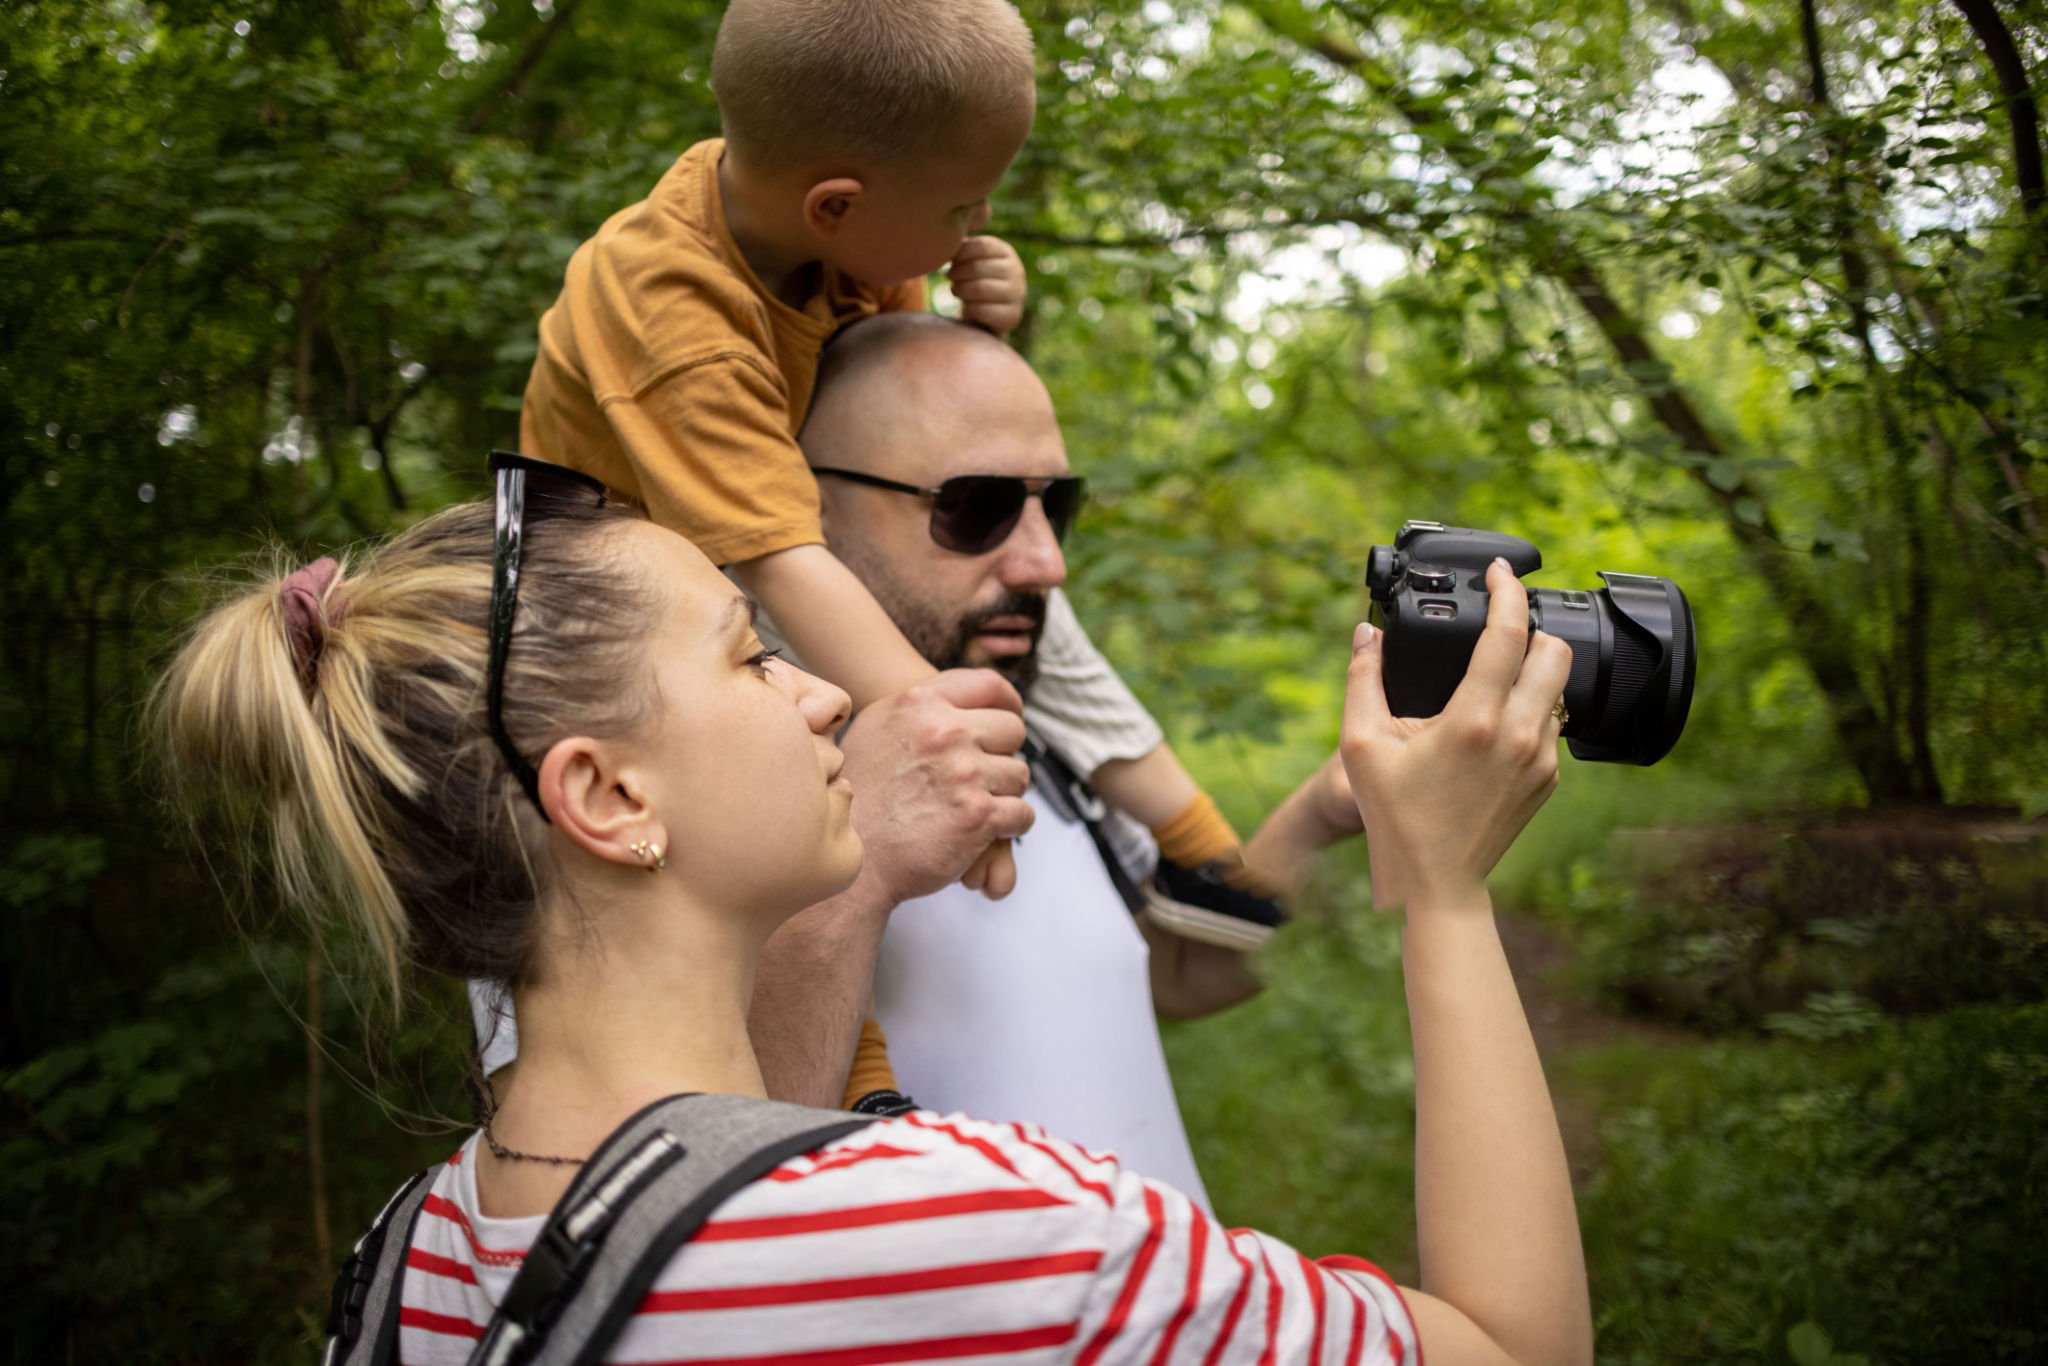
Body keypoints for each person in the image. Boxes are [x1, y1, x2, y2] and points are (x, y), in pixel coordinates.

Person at [155, 460, 1590, 1364]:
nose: (826, 686)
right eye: (745, 660)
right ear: (605, 798)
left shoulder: (408, 1261)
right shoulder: (987, 1230)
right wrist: (1448, 894)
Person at [517, 0, 1261, 906]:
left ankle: (1218, 865)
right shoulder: (679, 321)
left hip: (767, 530)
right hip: (641, 592)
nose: (981, 218)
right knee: (777, 743)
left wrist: (974, 327)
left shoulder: (833, 236)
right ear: (835, 205)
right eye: (963, 204)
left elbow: (901, 406)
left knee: (1018, 592)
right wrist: (947, 745)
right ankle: (846, 1037)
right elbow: (783, 567)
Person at [744, 313, 1364, 1205]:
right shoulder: (698, 797)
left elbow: (1185, 978)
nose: (1043, 563)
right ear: (804, 508)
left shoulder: (1056, 753)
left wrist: (1320, 813)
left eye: (1055, 509)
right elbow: (705, 1171)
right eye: (976, 508)